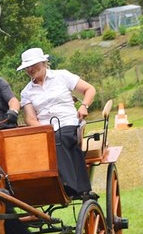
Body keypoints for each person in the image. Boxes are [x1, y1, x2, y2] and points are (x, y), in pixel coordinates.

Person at [17, 47, 96, 198]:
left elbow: (90, 89)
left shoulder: (62, 76)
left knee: (59, 138)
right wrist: (44, 129)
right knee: (41, 142)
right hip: (45, 128)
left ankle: (70, 185)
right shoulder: (26, 92)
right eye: (27, 67)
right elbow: (30, 119)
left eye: (33, 65)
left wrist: (84, 106)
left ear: (43, 63)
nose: (30, 69)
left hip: (68, 122)